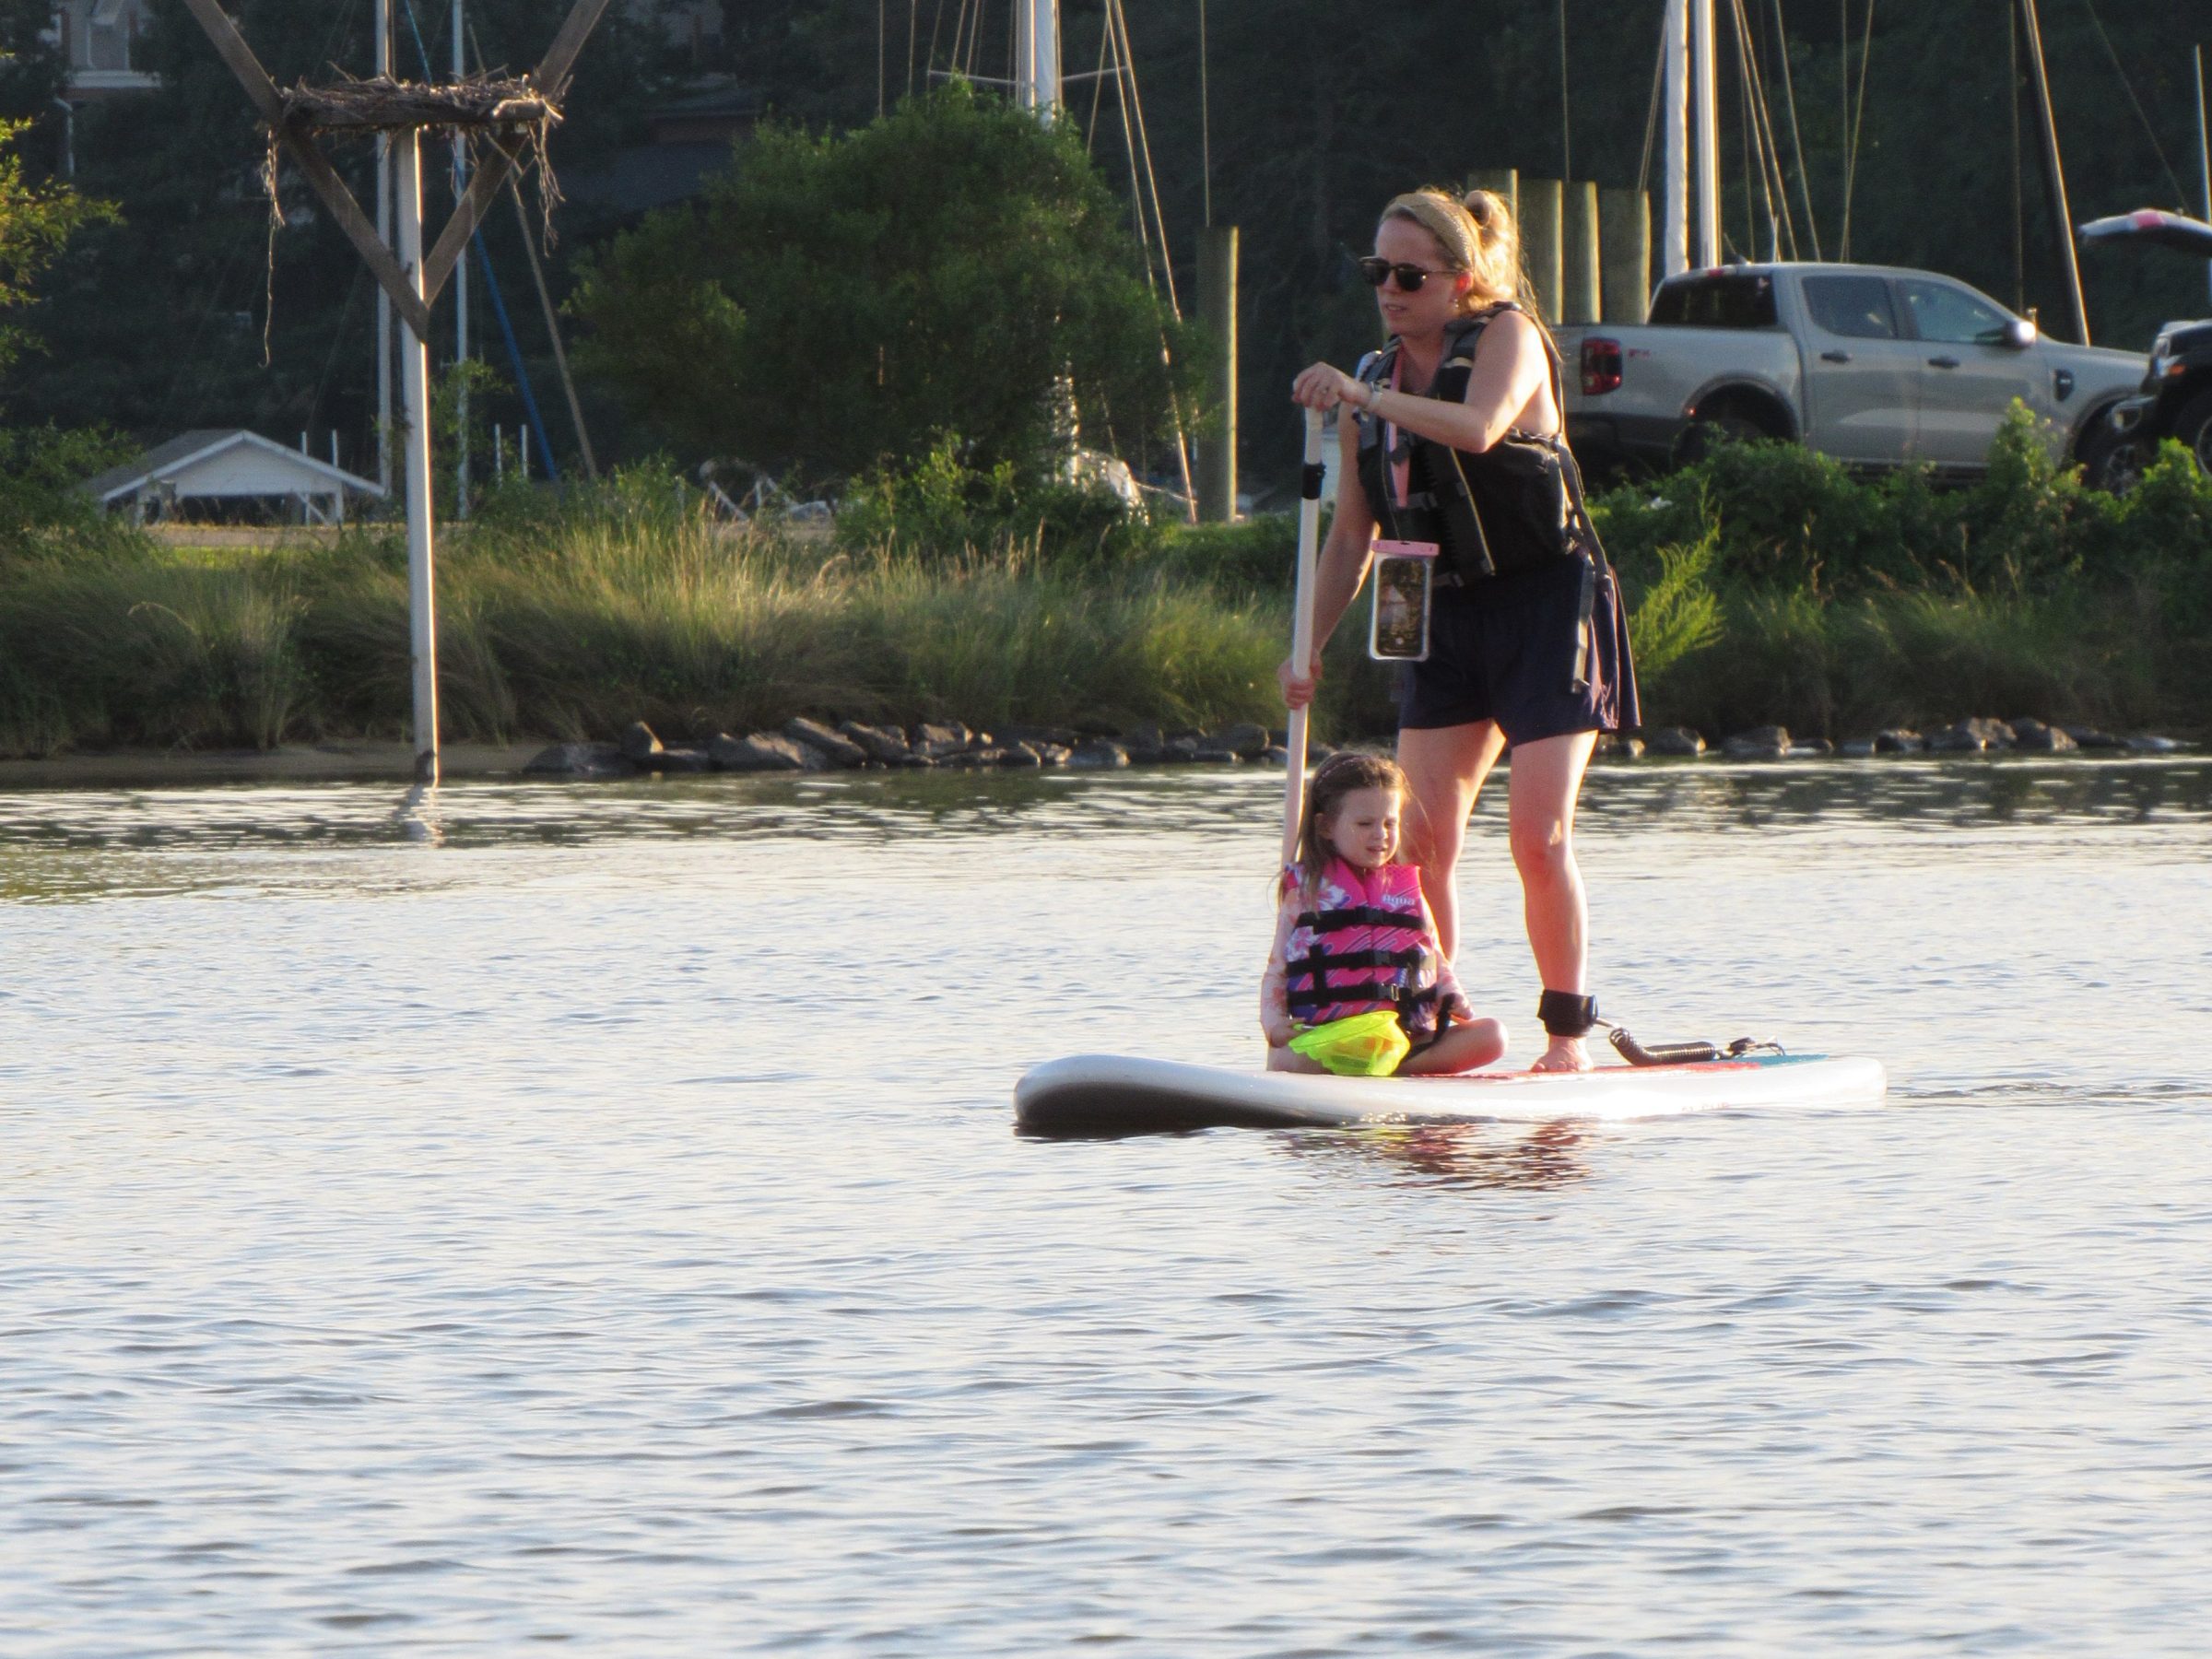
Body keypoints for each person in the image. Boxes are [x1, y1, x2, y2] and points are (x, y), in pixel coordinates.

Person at [1284, 187, 1639, 1072]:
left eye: (1410, 274)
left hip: (1546, 602)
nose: (1390, 290)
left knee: (1536, 835)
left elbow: (1479, 431)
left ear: (1461, 279)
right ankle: (1431, 1019)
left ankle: (1565, 1038)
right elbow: (1353, 535)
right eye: (1379, 273)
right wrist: (1310, 646)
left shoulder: (1508, 338)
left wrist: (1364, 399)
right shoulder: (1376, 381)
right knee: (1424, 841)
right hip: (1442, 614)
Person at [1261, 751, 1507, 1077]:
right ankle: (1368, 1069)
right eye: (1365, 824)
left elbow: (1433, 957)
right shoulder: (1304, 894)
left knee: (1493, 1036)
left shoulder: (1407, 893)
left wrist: (1452, 995)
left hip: (1405, 1040)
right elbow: (1277, 970)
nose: (1381, 834)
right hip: (1331, 1044)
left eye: (1390, 823)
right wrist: (1275, 1025)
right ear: (1326, 827)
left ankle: (1391, 1069)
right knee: (1284, 1058)